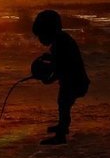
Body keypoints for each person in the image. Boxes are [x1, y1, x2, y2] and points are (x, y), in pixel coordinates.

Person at [30, 9, 90, 145]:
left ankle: (61, 135)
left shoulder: (60, 45)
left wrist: (48, 79)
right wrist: (50, 59)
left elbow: (60, 67)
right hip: (74, 80)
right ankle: (62, 126)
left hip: (75, 82)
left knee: (63, 103)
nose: (40, 40)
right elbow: (60, 62)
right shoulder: (62, 40)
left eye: (41, 36)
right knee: (63, 103)